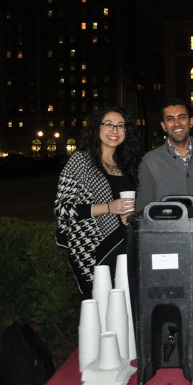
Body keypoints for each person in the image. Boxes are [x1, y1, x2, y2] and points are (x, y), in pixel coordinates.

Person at [54, 106, 143, 299]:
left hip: (126, 246)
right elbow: (62, 209)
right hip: (93, 248)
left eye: (121, 126)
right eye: (108, 124)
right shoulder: (81, 161)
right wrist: (109, 207)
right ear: (97, 128)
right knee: (101, 310)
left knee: (126, 307)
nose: (114, 130)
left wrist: (133, 215)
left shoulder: (128, 165)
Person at [135, 98, 193, 211]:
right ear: (163, 126)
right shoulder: (149, 161)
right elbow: (143, 209)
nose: (177, 123)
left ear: (191, 121)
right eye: (170, 119)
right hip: (166, 228)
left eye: (182, 117)